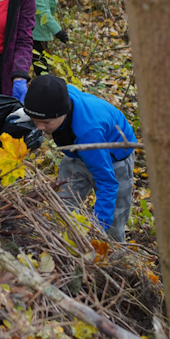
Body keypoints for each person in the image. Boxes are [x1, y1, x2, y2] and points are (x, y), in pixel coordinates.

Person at [23, 75, 136, 242]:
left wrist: (99, 228)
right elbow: (39, 105)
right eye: (35, 120)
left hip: (114, 158)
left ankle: (114, 253)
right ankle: (60, 242)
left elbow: (108, 183)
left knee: (113, 219)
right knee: (62, 206)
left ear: (63, 112)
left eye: (45, 122)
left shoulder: (88, 133)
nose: (39, 127)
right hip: (76, 152)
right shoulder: (56, 95)